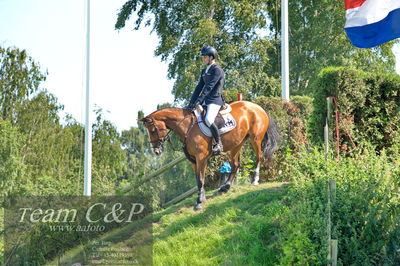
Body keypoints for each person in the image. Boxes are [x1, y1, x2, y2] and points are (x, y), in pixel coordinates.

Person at [187, 46, 225, 154]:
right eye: (203, 57)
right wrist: (191, 102)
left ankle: (218, 144)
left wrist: (199, 100)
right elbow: (199, 87)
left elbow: (209, 87)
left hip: (214, 100)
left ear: (211, 57)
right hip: (206, 100)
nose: (203, 59)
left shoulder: (217, 70)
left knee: (208, 119)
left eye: (205, 57)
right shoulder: (204, 71)